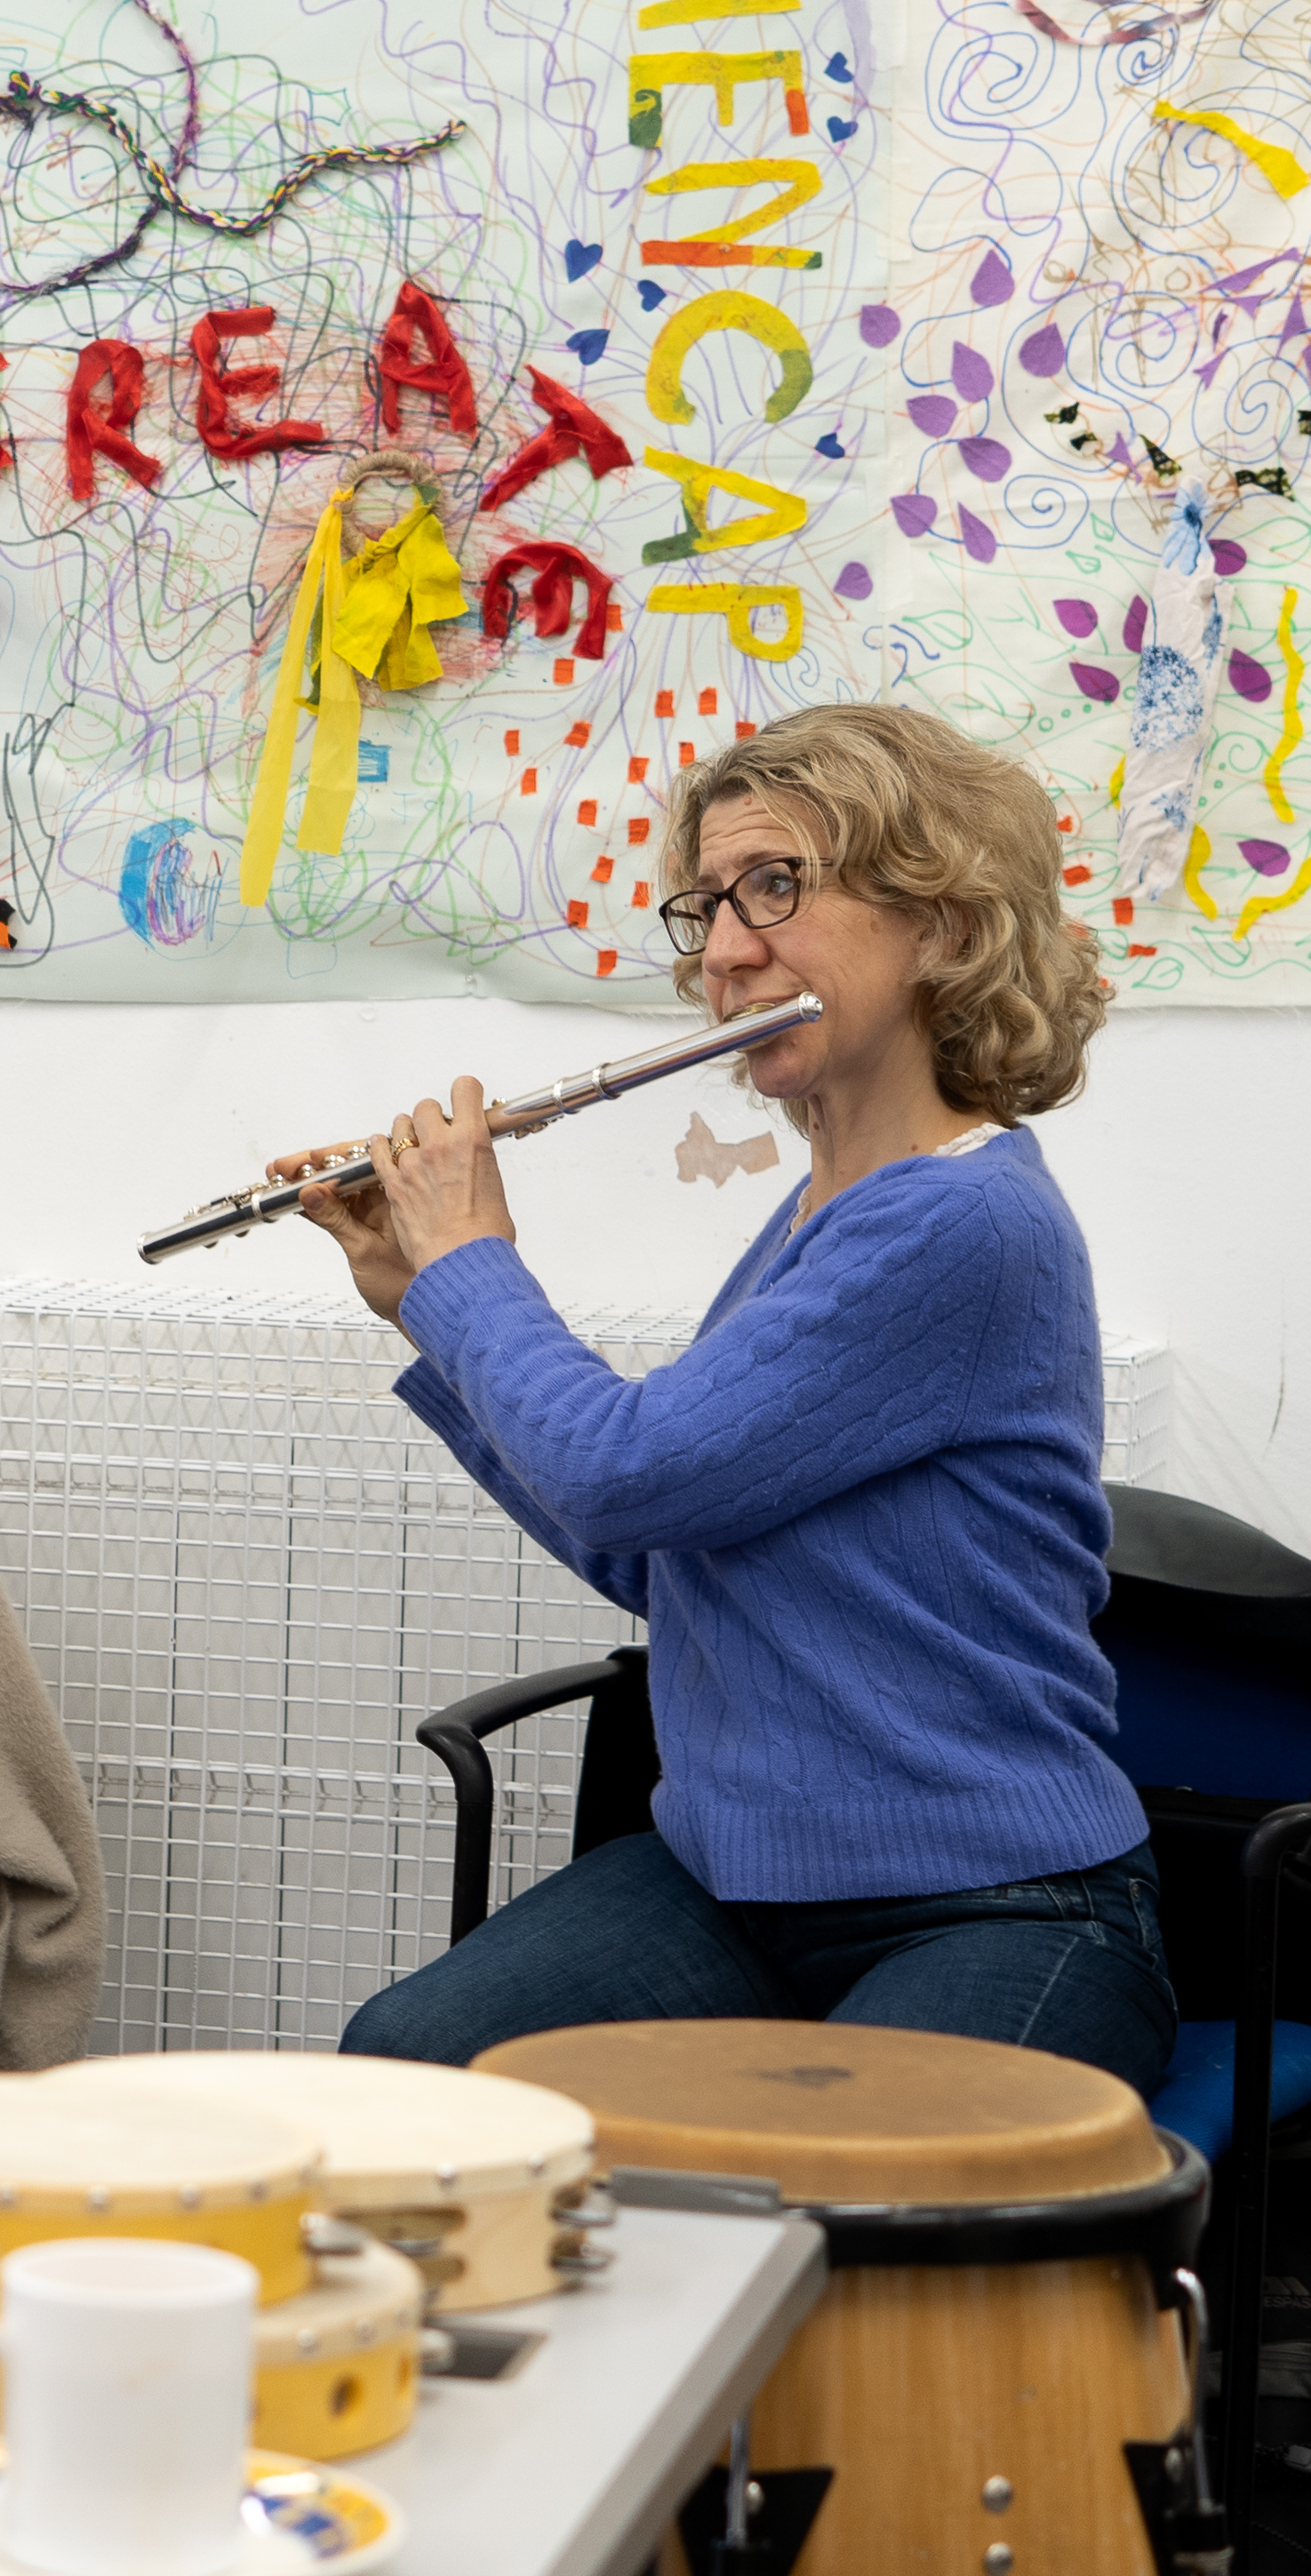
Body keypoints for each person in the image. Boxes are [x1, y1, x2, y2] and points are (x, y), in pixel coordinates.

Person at [308, 700, 1169, 2083]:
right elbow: (654, 1548)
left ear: (941, 925)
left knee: (827, 2220)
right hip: (735, 1886)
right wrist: (426, 1302)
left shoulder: (961, 1225)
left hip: (991, 1905)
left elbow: (623, 1472)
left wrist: (471, 1263)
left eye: (776, 887)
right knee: (414, 2066)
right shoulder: (816, 1213)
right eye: (704, 908)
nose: (719, 952)